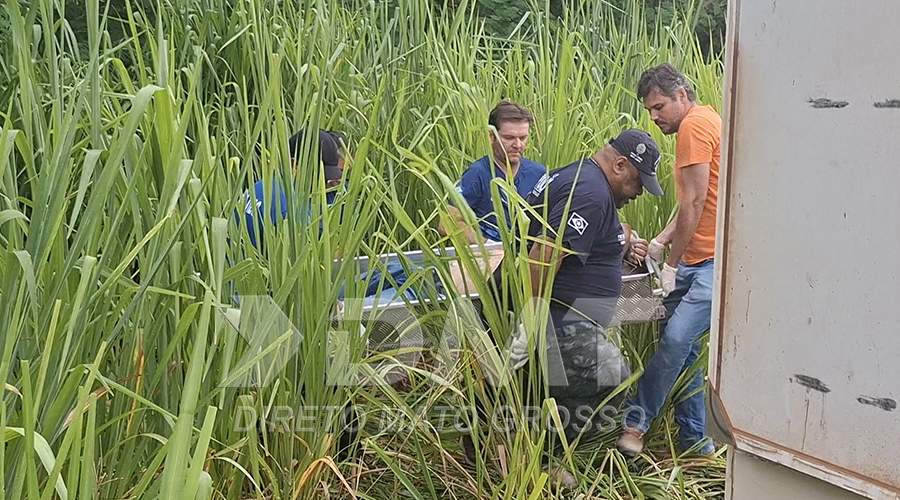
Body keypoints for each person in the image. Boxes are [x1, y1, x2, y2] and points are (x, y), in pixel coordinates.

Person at [472, 129, 663, 486]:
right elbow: (544, 253)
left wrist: (621, 242)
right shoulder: (590, 192)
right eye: (637, 183)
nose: (638, 193)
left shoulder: (580, 178)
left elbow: (579, 234)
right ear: (620, 165)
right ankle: (545, 459)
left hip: (555, 315)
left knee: (541, 386)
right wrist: (529, 323)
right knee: (611, 376)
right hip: (554, 318)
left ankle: (505, 444)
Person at [617, 63, 722, 458]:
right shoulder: (707, 119)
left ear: (681, 95)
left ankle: (636, 423)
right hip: (696, 257)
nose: (654, 117)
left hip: (709, 262)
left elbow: (695, 201)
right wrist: (662, 240)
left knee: (677, 339)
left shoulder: (694, 126)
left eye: (659, 107)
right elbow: (696, 200)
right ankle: (695, 442)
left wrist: (672, 264)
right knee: (686, 353)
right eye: (649, 110)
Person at [438, 101, 547, 244]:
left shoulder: (538, 173)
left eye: (523, 138)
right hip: (492, 253)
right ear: (491, 136)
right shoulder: (478, 174)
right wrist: (486, 245)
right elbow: (447, 223)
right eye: (508, 138)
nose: (518, 145)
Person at [239, 129, 348, 249]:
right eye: (320, 176)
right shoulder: (291, 210)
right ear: (293, 164)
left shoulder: (263, 185)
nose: (327, 183)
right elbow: (308, 257)